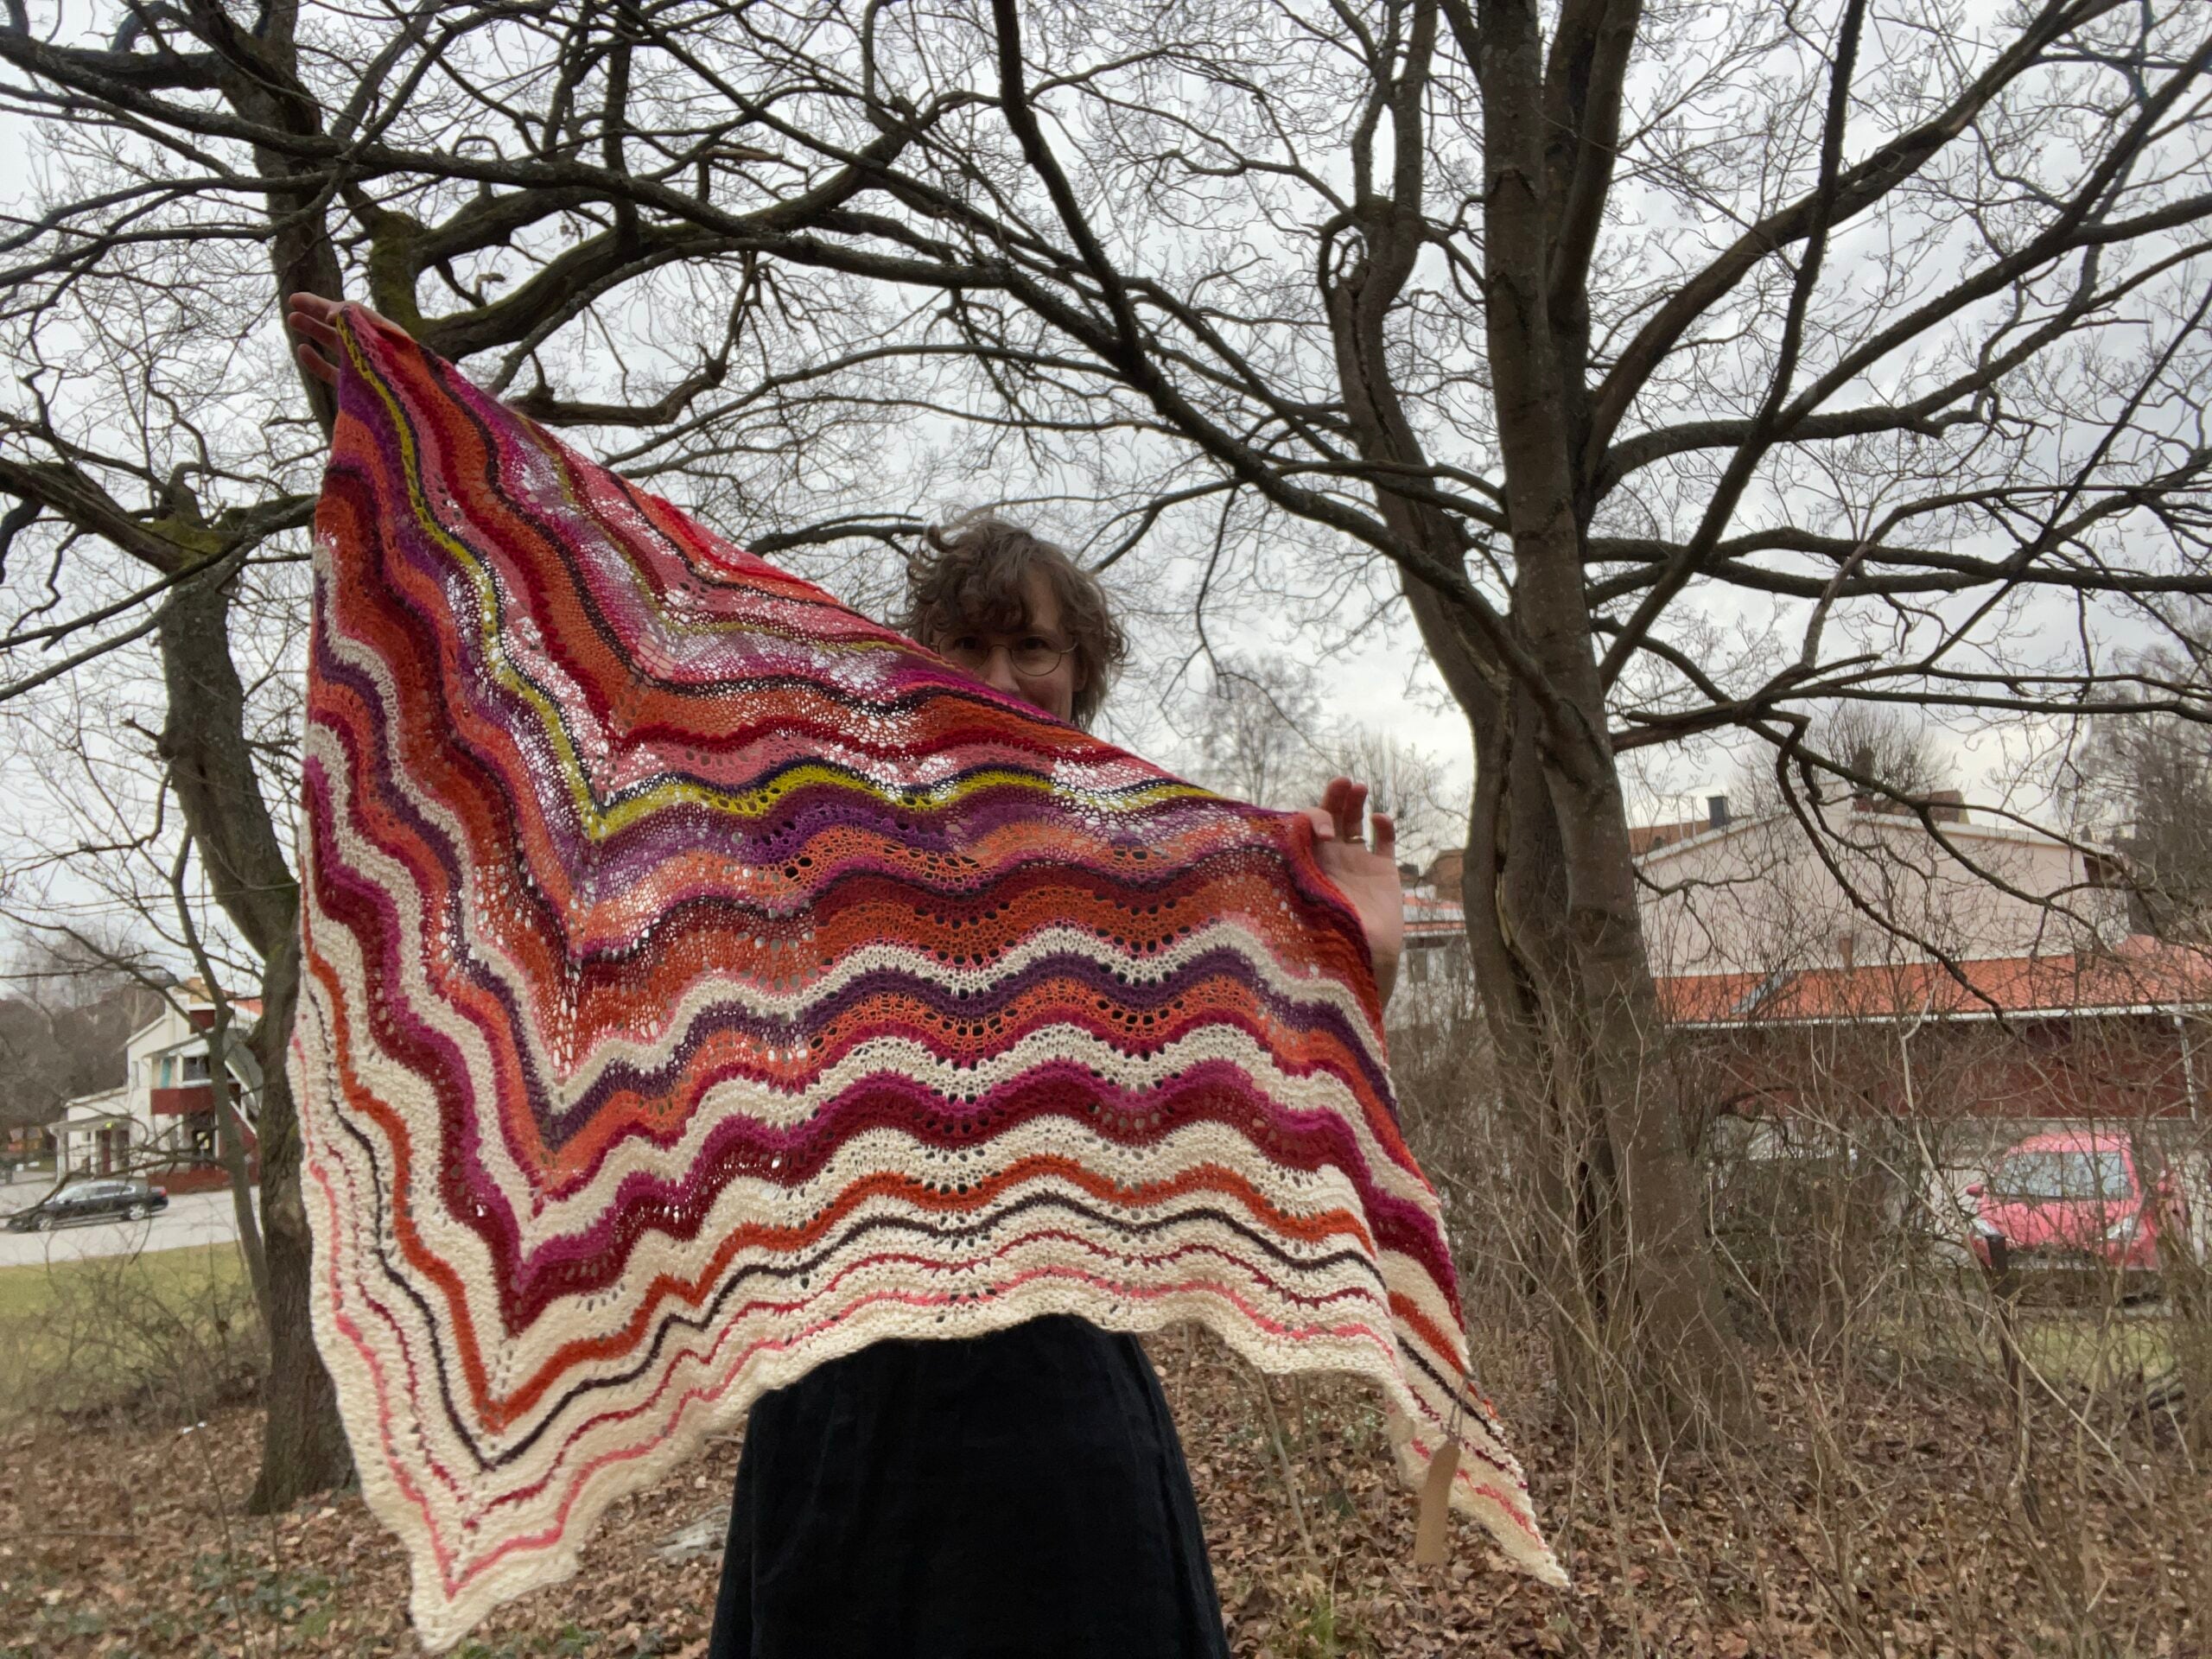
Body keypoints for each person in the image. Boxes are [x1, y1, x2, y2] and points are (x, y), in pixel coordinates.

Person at [288, 294, 1407, 1658]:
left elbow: (1255, 1103)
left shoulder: (1142, 869)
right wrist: (410, 415)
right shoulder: (818, 845)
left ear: (1080, 669)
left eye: (1034, 646)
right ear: (913, 666)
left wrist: (1366, 959)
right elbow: (645, 642)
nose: (1002, 675)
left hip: (1059, 1422)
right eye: (970, 646)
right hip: (841, 1414)